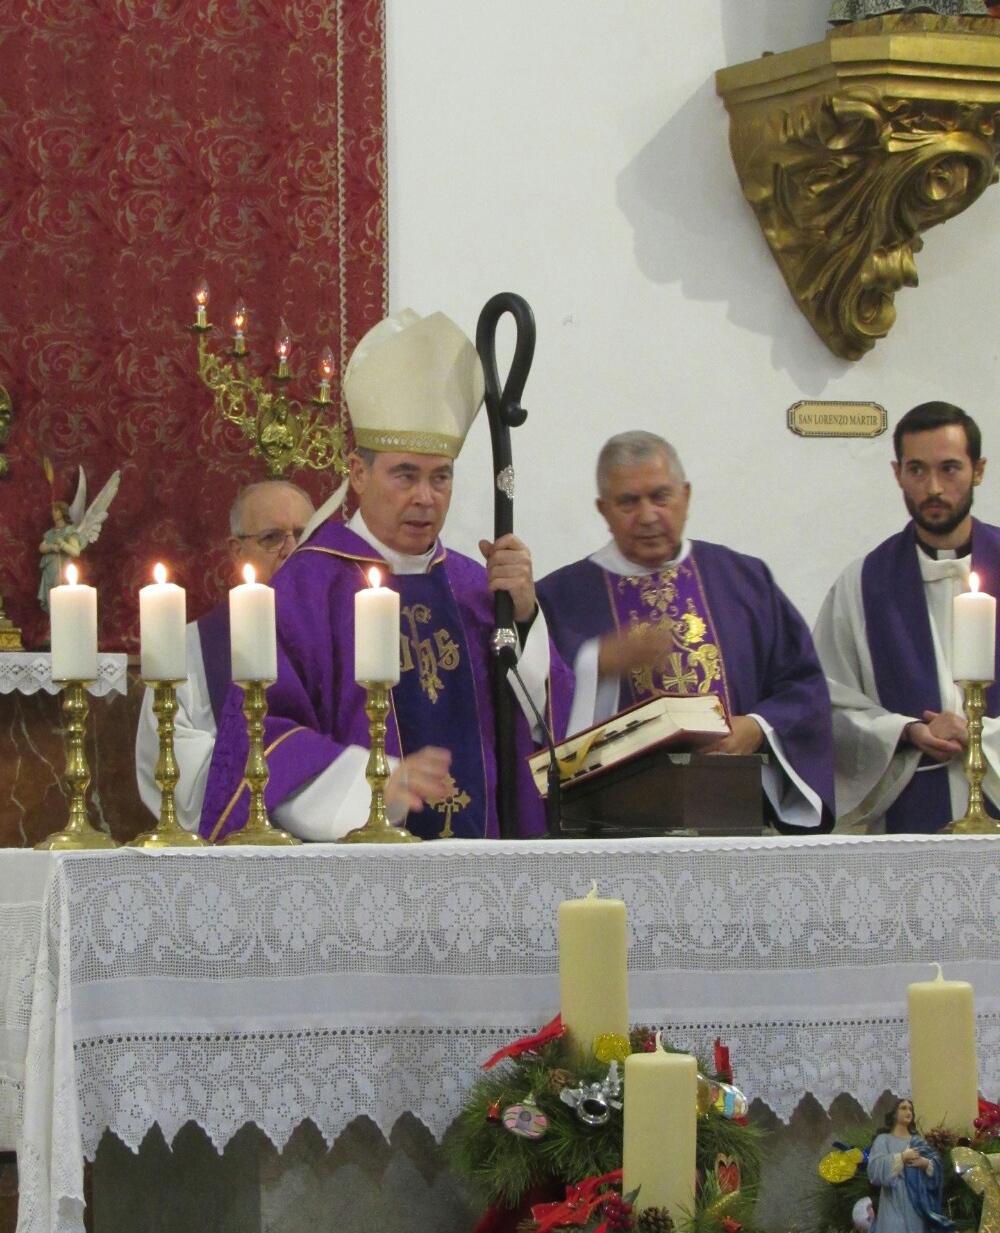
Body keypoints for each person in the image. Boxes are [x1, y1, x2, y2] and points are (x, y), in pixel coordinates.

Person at [198, 309, 570, 842]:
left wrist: (526, 617)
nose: (425, 497)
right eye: (405, 475)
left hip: (482, 871)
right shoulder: (306, 588)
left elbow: (539, 730)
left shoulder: (474, 588)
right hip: (357, 882)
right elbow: (261, 738)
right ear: (357, 473)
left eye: (440, 477)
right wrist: (375, 786)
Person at [537, 430, 835, 831]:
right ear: (603, 509)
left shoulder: (744, 581)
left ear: (686, 496)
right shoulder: (561, 598)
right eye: (628, 501)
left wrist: (757, 728)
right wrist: (596, 664)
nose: (647, 516)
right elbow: (531, 721)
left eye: (660, 497)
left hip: (735, 821)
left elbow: (803, 686)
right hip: (614, 832)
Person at [813, 401, 1000, 833]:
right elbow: (827, 702)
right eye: (917, 470)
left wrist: (979, 736)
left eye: (949, 468)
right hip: (905, 828)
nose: (933, 487)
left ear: (979, 470)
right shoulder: (862, 584)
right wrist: (904, 731)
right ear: (897, 473)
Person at [135, 479, 315, 831]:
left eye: (303, 535)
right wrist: (306, 780)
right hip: (232, 863)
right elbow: (174, 764)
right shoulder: (193, 649)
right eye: (271, 538)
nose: (292, 549)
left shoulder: (348, 638)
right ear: (237, 551)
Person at [867, 1098, 950, 1233]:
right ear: (894, 1113)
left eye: (910, 1109)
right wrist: (902, 1157)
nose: (908, 1111)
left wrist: (925, 1164)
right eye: (903, 1108)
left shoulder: (918, 1141)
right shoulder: (883, 1140)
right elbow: (874, 1169)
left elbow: (936, 1167)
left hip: (915, 1200)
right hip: (892, 1199)